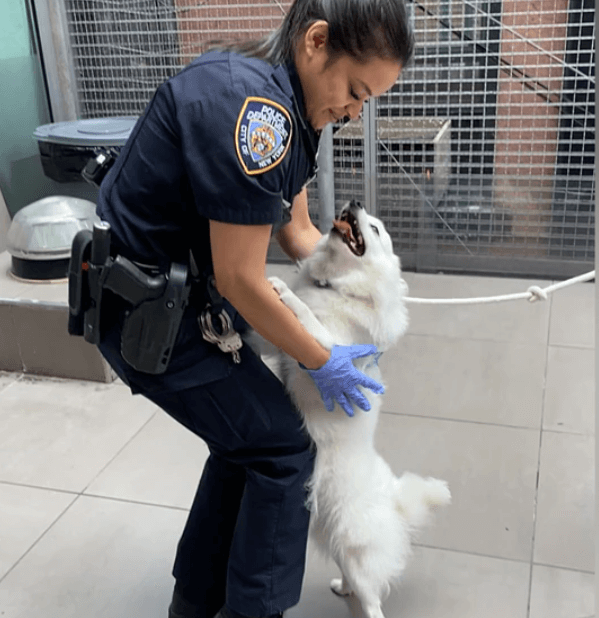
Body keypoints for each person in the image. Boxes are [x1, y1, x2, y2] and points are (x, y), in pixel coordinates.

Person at [84, 1, 414, 617]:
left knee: (247, 441)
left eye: (366, 102)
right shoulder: (260, 117)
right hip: (147, 315)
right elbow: (241, 279)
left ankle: (196, 601)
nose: (354, 112)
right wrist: (323, 360)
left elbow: (297, 233)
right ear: (317, 41)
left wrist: (366, 278)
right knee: (282, 450)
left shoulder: (294, 106)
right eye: (355, 92)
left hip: (180, 300)